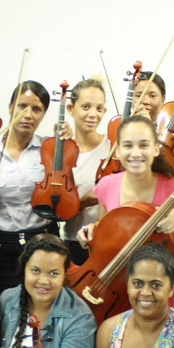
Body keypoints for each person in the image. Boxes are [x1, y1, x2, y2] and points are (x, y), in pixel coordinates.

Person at [78, 115, 174, 309]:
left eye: (143, 145)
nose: (135, 153)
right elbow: (104, 239)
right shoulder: (106, 185)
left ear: (155, 149)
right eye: (128, 146)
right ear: (118, 151)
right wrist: (88, 233)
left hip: (158, 295)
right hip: (116, 290)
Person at [0, 81, 56, 290]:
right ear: (10, 107)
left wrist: (65, 141)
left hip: (42, 241)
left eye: (37, 109)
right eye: (22, 106)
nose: (28, 114)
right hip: (0, 246)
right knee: (5, 307)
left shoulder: (49, 149)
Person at [60, 78, 111, 265]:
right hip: (75, 241)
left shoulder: (113, 148)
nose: (93, 114)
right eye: (86, 107)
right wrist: (81, 203)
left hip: (110, 240)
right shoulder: (62, 153)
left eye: (99, 108)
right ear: (71, 109)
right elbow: (58, 213)